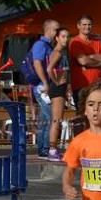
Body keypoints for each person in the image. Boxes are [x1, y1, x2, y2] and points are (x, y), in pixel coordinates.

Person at [27, 19, 59, 160]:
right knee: (50, 116)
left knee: (46, 117)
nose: (57, 33)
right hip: (41, 86)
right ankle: (44, 148)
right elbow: (37, 63)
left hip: (44, 85)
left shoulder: (47, 45)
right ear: (48, 30)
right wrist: (45, 82)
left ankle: (43, 147)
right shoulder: (41, 45)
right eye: (56, 30)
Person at [68, 15, 101, 97]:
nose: (87, 27)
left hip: (97, 84)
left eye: (89, 24)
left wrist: (91, 57)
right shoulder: (75, 42)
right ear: (78, 26)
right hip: (81, 85)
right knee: (83, 109)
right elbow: (83, 61)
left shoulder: (97, 41)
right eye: (84, 24)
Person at [45, 27, 71, 161]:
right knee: (56, 119)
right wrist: (56, 81)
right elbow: (49, 69)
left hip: (61, 88)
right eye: (63, 36)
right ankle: (52, 149)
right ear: (57, 38)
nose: (66, 39)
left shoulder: (63, 52)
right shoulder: (57, 52)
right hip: (57, 89)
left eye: (67, 36)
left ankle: (54, 149)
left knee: (58, 119)